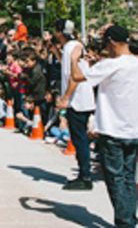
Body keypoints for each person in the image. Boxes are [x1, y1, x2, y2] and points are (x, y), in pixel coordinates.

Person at [68, 25, 138, 227]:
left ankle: (125, 221)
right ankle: (129, 216)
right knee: (127, 177)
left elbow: (77, 77)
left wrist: (74, 59)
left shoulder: (110, 65)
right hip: (133, 128)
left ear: (113, 42)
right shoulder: (134, 63)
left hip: (112, 128)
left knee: (115, 178)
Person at [55, 19, 95, 191]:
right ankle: (83, 173)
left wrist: (65, 97)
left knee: (80, 140)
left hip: (77, 101)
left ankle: (85, 176)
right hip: (80, 99)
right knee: (79, 139)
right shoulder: (72, 46)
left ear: (58, 32)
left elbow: (74, 76)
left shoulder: (72, 48)